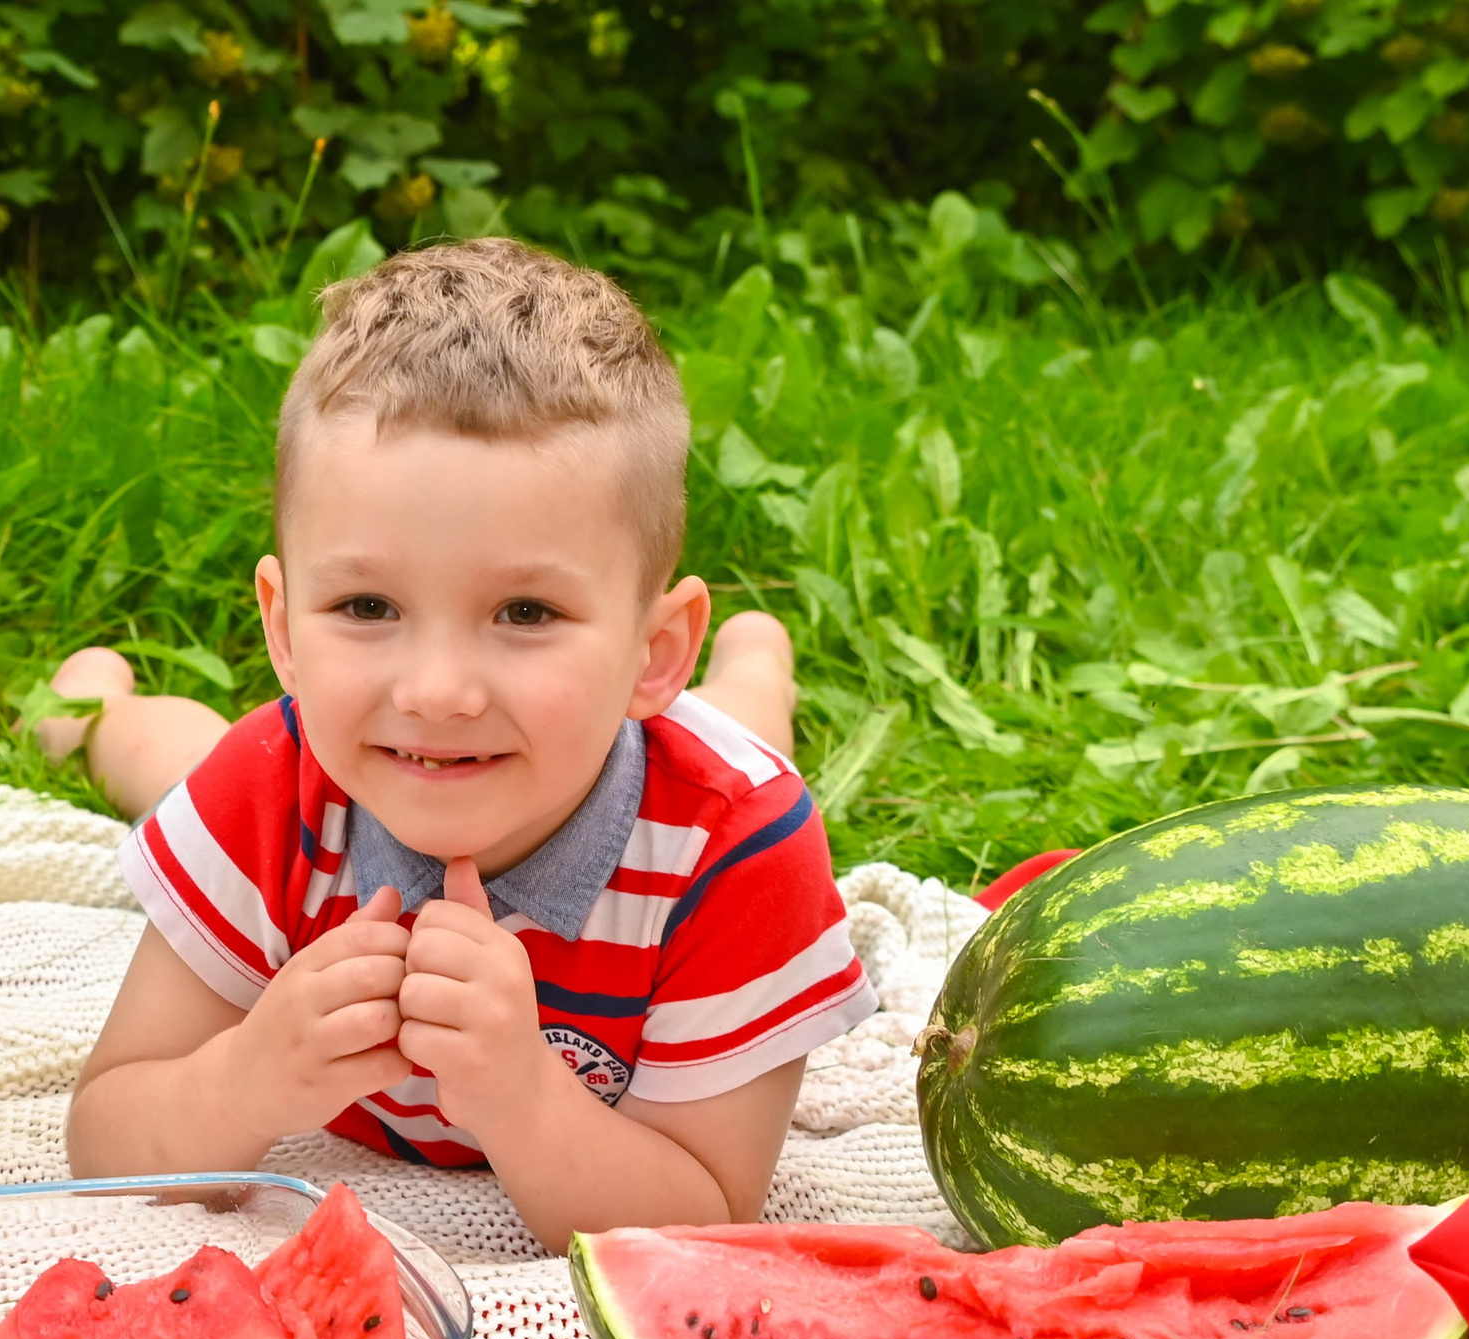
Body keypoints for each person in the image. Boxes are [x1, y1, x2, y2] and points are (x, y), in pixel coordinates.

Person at [44, 237, 872, 1253]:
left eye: (524, 611)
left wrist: (522, 1095)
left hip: (677, 766)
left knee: (743, 730)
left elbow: (703, 1217)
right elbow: (106, 1136)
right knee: (185, 762)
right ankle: (94, 712)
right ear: (285, 627)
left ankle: (753, 662)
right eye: (366, 605)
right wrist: (246, 1075)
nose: (434, 692)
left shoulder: (735, 852)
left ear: (653, 652)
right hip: (304, 761)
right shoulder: (271, 789)